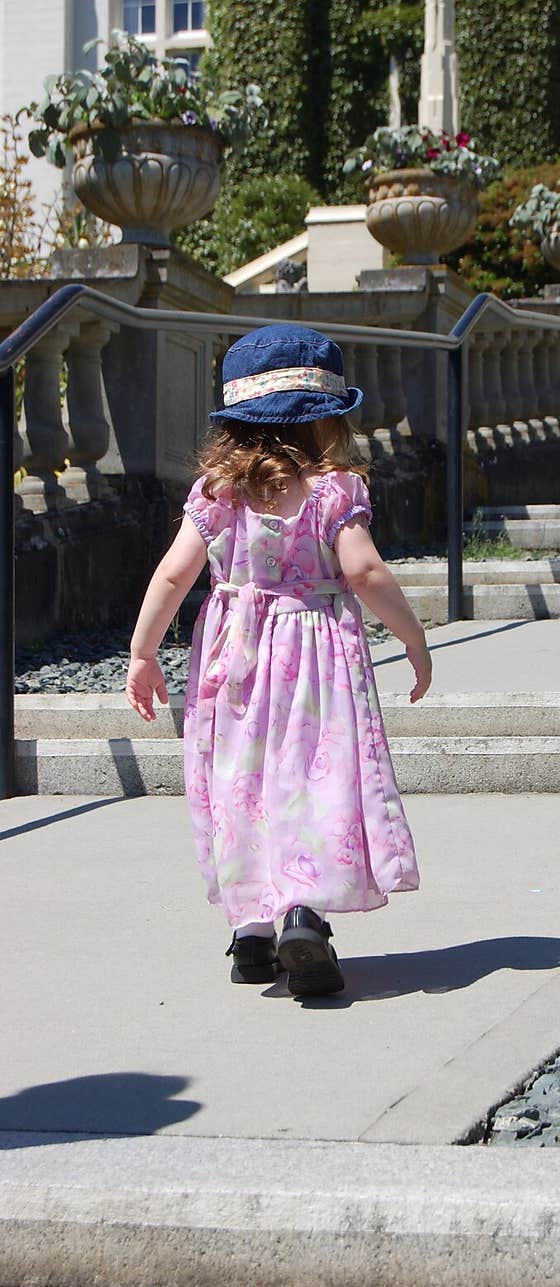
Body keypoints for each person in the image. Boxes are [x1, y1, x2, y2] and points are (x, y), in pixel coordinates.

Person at [125, 324, 431, 999]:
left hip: (231, 657)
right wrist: (412, 636)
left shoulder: (215, 492)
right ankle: (302, 913)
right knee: (310, 776)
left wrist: (144, 652)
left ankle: (253, 935)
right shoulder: (332, 490)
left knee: (244, 781)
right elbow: (365, 570)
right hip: (314, 653)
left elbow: (176, 574)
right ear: (327, 420)